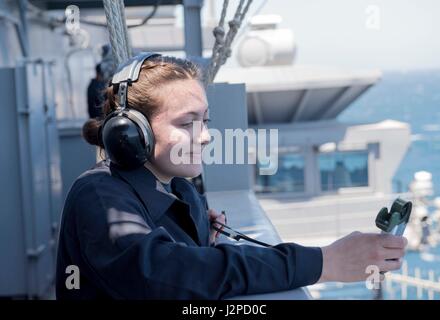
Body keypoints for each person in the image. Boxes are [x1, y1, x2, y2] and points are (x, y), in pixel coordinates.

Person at [56, 54, 407, 299]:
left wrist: (201, 234)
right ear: (131, 132)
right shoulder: (98, 197)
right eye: (186, 123)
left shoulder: (180, 190)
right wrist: (323, 263)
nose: (206, 135)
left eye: (205, 121)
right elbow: (166, 276)